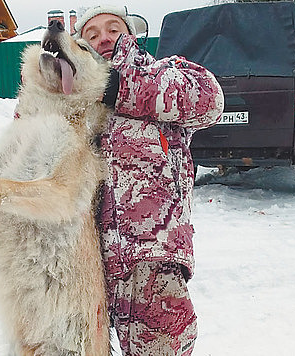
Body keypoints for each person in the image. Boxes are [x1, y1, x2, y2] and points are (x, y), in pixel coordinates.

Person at [74, 5, 224, 355]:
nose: (104, 39)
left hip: (152, 260)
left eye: (113, 29)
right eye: (92, 35)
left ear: (132, 34)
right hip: (89, 266)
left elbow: (210, 100)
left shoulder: (165, 71)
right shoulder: (75, 97)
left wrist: (117, 86)